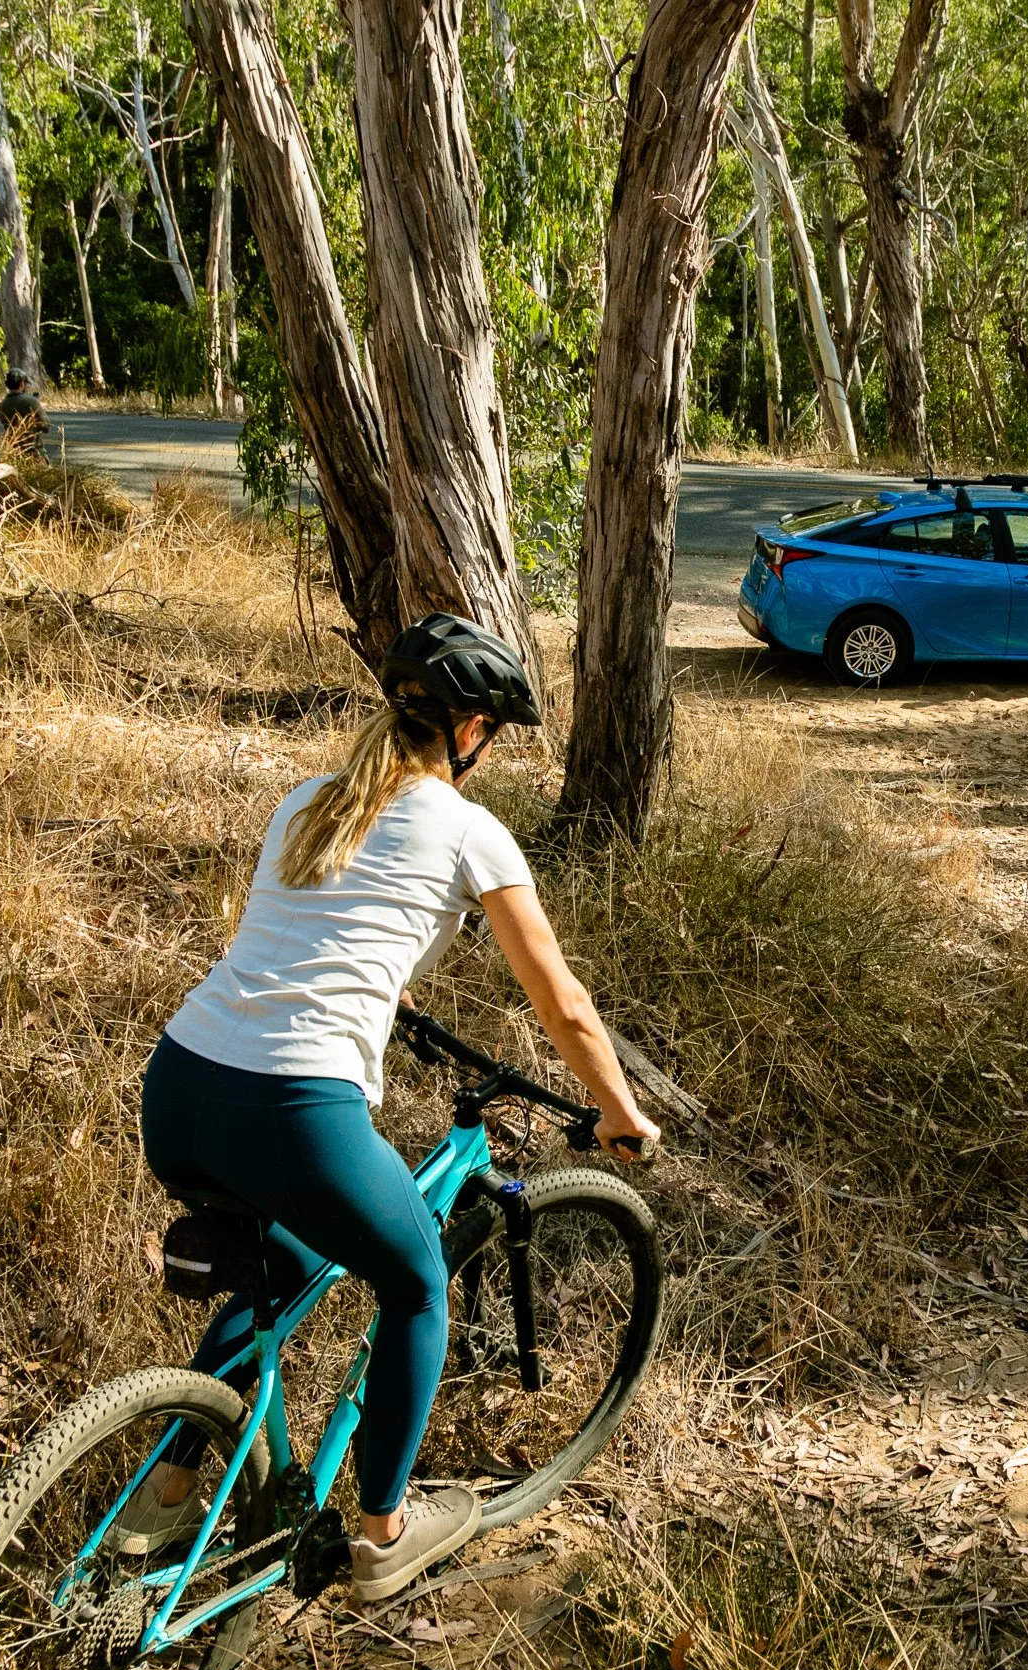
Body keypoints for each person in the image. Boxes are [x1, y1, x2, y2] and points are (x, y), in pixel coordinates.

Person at [124, 614, 662, 1601]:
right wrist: (619, 1110)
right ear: (469, 729)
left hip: (181, 1083)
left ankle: (162, 1491)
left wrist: (394, 994)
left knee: (281, 1263)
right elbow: (563, 1002)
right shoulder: (468, 829)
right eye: (490, 728)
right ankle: (382, 1533)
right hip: (292, 1106)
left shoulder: (308, 802)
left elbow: (305, 936)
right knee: (416, 1276)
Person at [0, 369, 42, 443]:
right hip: (33, 450)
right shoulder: (32, 402)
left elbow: (4, 423)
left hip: (13, 448)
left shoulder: (3, 404)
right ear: (22, 384)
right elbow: (46, 426)